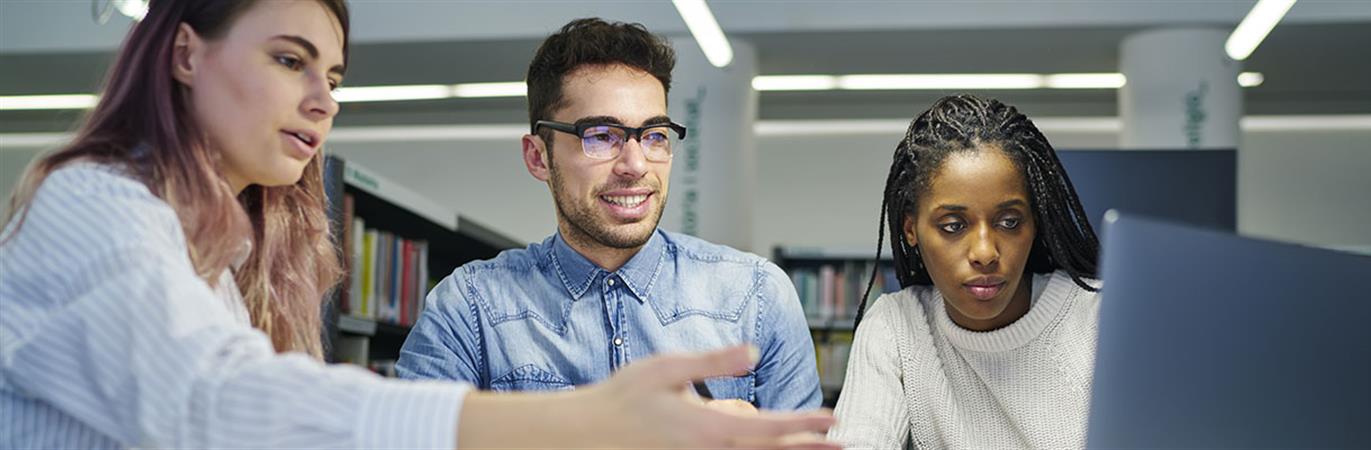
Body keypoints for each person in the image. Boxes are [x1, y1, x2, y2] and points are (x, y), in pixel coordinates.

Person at [0, 1, 836, 448]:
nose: (324, 98)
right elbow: (215, 404)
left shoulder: (220, 263)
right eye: (289, 60)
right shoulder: (92, 206)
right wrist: (585, 426)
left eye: (653, 136)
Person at [394, 18, 822, 412]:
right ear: (538, 157)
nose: (635, 165)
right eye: (601, 136)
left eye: (654, 135)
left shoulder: (758, 296)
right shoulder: (471, 308)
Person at [827, 94, 1103, 449]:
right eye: (954, 226)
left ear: (1034, 223)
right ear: (911, 230)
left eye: (1009, 221)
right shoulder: (897, 326)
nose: (985, 253)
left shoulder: (1101, 316)